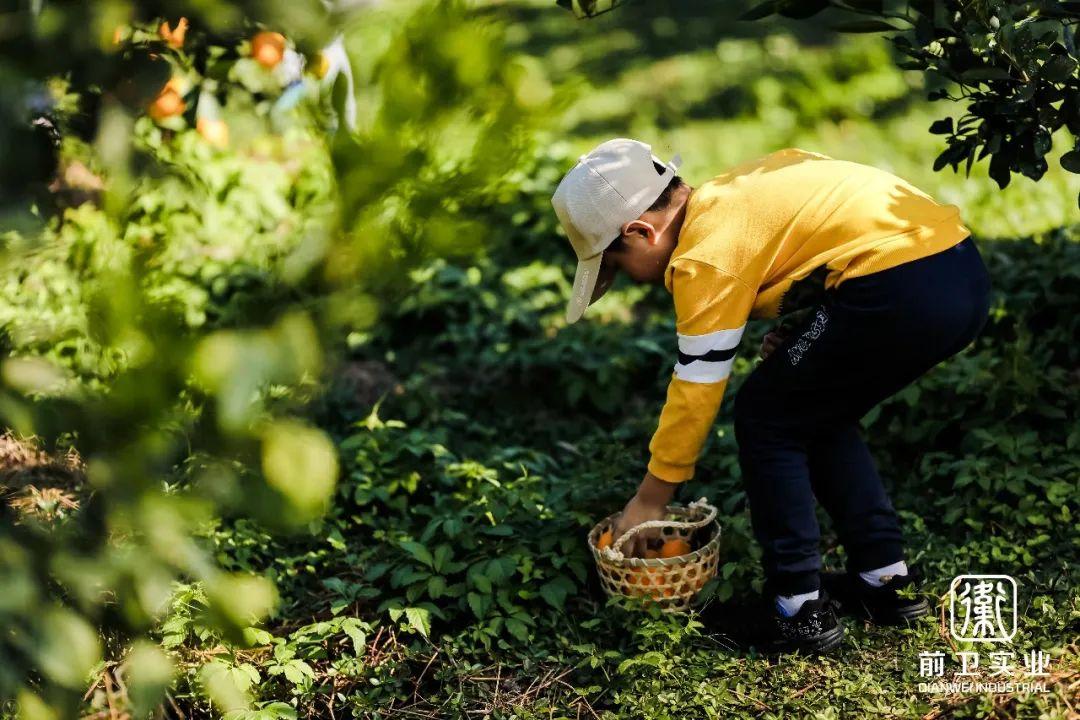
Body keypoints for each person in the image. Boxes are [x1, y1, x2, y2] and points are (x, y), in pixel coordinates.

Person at [551, 139, 991, 653]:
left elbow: (697, 385)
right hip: (956, 269)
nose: (624, 279)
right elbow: (827, 204)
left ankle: (798, 607)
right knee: (815, 408)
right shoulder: (734, 194)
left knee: (766, 414)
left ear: (642, 233)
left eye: (616, 267)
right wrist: (820, 321)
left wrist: (650, 499)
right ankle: (885, 580)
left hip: (896, 287)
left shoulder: (703, 257)